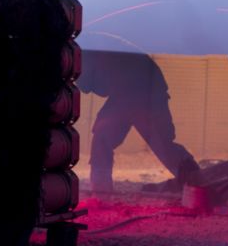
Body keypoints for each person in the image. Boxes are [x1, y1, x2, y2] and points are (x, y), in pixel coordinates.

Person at [79, 51, 199, 194]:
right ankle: (100, 191)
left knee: (162, 144)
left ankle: (197, 182)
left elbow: (94, 85)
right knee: (103, 135)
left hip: (146, 91)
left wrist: (80, 79)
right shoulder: (93, 50)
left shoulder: (90, 52)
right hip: (126, 92)